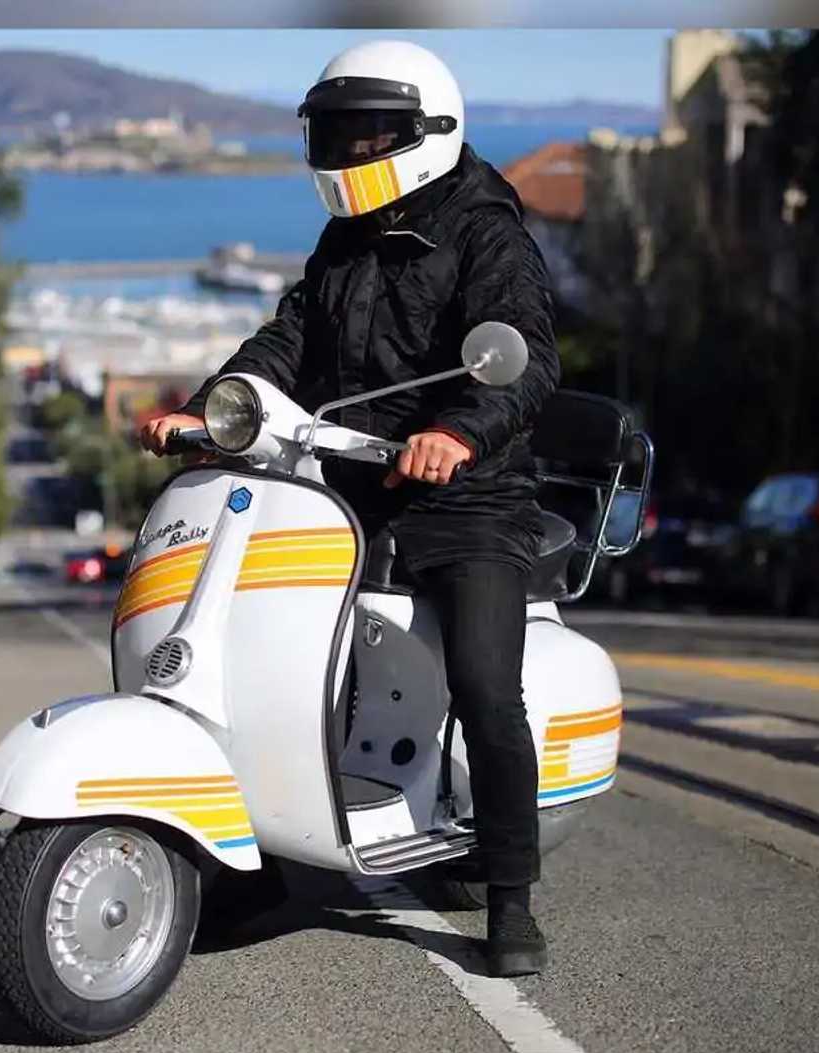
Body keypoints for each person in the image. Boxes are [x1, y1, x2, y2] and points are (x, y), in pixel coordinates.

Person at [137, 40, 560, 977]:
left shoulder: (487, 233)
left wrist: (458, 432)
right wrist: (212, 408)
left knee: (486, 689)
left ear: (428, 132)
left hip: (471, 500)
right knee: (269, 655)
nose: (354, 151)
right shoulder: (346, 238)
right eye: (339, 133)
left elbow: (527, 357)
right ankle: (252, 870)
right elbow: (288, 340)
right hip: (351, 489)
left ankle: (510, 897)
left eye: (372, 133)